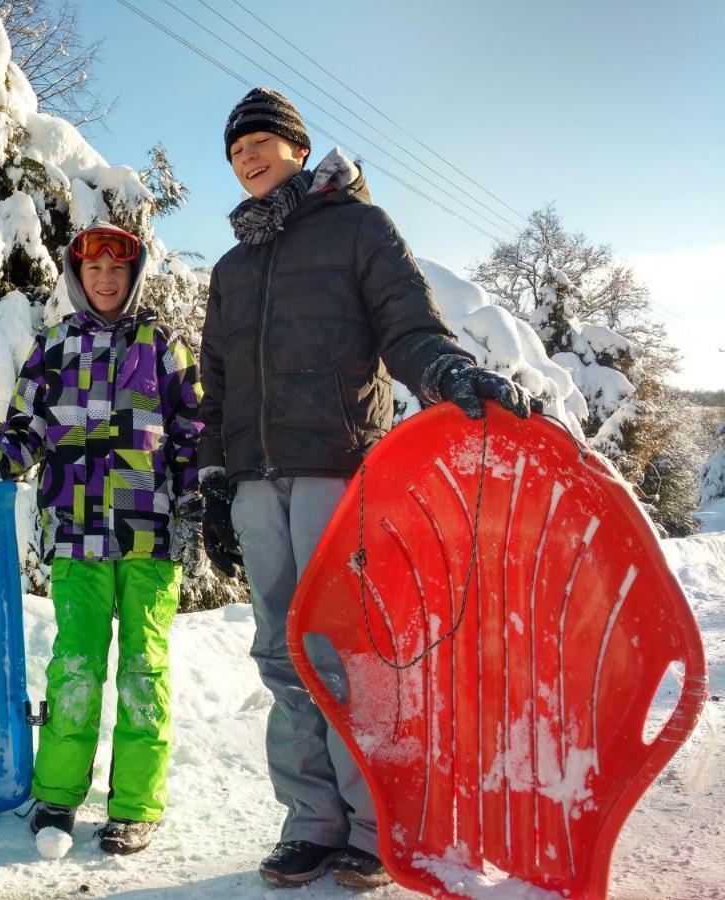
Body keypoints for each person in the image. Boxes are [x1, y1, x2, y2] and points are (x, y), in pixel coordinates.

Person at [199, 87, 536, 889]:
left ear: (297, 146)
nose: (247, 154)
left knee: (347, 655)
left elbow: (407, 325)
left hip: (335, 471)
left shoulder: (358, 228)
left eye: (261, 141)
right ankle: (311, 823)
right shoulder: (232, 266)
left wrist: (448, 369)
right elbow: (214, 386)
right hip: (255, 481)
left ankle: (375, 825)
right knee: (281, 655)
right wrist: (214, 478)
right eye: (236, 147)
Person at [0, 223, 204, 855]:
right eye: (93, 271)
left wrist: (194, 504)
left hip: (150, 534)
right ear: (77, 277)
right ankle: (56, 794)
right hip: (76, 533)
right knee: (74, 667)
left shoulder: (162, 345)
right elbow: (24, 428)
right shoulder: (53, 346)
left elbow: (193, 433)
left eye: (117, 270)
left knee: (144, 670)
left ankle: (136, 804)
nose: (105, 280)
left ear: (133, 276)